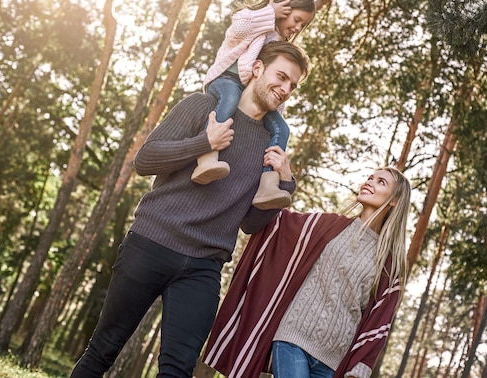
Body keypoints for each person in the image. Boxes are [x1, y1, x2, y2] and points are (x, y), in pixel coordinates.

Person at [70, 40, 310, 378]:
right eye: (281, 77)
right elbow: (146, 159)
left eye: (292, 85)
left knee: (179, 370)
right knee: (103, 348)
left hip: (204, 266)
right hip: (151, 243)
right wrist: (205, 143)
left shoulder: (272, 146)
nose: (285, 89)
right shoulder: (203, 106)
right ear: (257, 69)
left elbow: (251, 224)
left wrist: (285, 182)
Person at [203, 167, 412, 378]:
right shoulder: (328, 226)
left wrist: (360, 366)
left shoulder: (388, 265)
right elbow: (276, 222)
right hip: (292, 338)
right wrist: (283, 177)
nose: (369, 182)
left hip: (334, 360)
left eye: (381, 182)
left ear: (394, 200)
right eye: (370, 177)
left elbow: (379, 320)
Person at [192, 0, 315, 211]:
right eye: (296, 19)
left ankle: (267, 185)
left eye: (303, 25)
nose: (298, 27)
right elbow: (237, 29)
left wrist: (275, 110)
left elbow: (270, 85)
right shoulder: (252, 19)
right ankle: (207, 158)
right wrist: (270, 13)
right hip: (226, 81)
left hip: (250, 93)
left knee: (282, 129)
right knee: (229, 100)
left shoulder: (279, 45)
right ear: (283, 6)